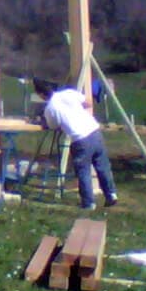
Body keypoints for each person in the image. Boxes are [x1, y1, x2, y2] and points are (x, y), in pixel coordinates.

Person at [43, 82, 117, 210]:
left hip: (80, 139)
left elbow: (53, 126)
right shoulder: (68, 93)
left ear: (41, 95)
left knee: (84, 172)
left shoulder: (50, 108)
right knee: (103, 166)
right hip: (94, 131)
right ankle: (111, 194)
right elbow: (87, 102)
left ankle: (89, 203)